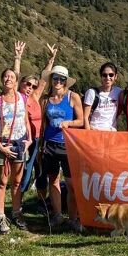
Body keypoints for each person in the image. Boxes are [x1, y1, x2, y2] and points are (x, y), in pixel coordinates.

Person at [0, 67, 33, 234]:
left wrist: (28, 140)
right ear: (2, 80)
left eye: (12, 76)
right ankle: (0, 216)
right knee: (2, 182)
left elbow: (25, 120)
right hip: (3, 145)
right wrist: (0, 148)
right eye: (5, 76)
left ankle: (16, 212)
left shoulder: (22, 97)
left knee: (17, 182)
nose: (8, 79)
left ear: (16, 81)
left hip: (20, 144)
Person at [41, 66, 84, 230]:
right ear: (51, 79)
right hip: (50, 144)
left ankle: (73, 218)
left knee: (71, 184)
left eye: (62, 79)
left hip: (67, 145)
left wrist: (69, 123)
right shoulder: (46, 99)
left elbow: (81, 121)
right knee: (53, 180)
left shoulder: (72, 97)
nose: (58, 82)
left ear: (66, 81)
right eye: (56, 78)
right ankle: (57, 215)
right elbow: (43, 123)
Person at [13, 41, 57, 197]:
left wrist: (51, 60)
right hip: (21, 138)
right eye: (27, 84)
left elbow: (44, 79)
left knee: (35, 168)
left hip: (37, 140)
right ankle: (18, 200)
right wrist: (17, 58)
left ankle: (38, 200)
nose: (30, 87)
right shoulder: (17, 97)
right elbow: (14, 77)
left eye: (33, 85)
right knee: (22, 169)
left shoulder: (35, 97)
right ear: (21, 85)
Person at [83, 62, 123, 131]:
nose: (108, 78)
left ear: (115, 76)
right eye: (104, 75)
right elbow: (85, 117)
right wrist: (88, 134)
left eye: (111, 75)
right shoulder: (91, 93)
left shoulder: (118, 92)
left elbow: (120, 109)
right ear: (101, 76)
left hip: (111, 133)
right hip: (95, 133)